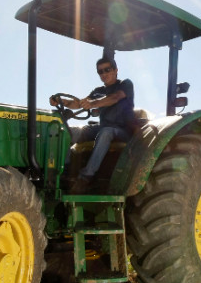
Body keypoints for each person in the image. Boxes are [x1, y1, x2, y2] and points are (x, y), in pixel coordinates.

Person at [50, 57, 136, 193]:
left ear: (116, 70)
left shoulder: (125, 84)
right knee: (66, 131)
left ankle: (85, 178)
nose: (104, 74)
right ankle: (64, 171)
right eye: (100, 72)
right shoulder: (97, 91)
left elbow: (115, 98)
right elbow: (80, 103)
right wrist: (63, 101)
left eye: (107, 70)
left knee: (106, 132)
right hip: (102, 128)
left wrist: (93, 104)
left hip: (123, 130)